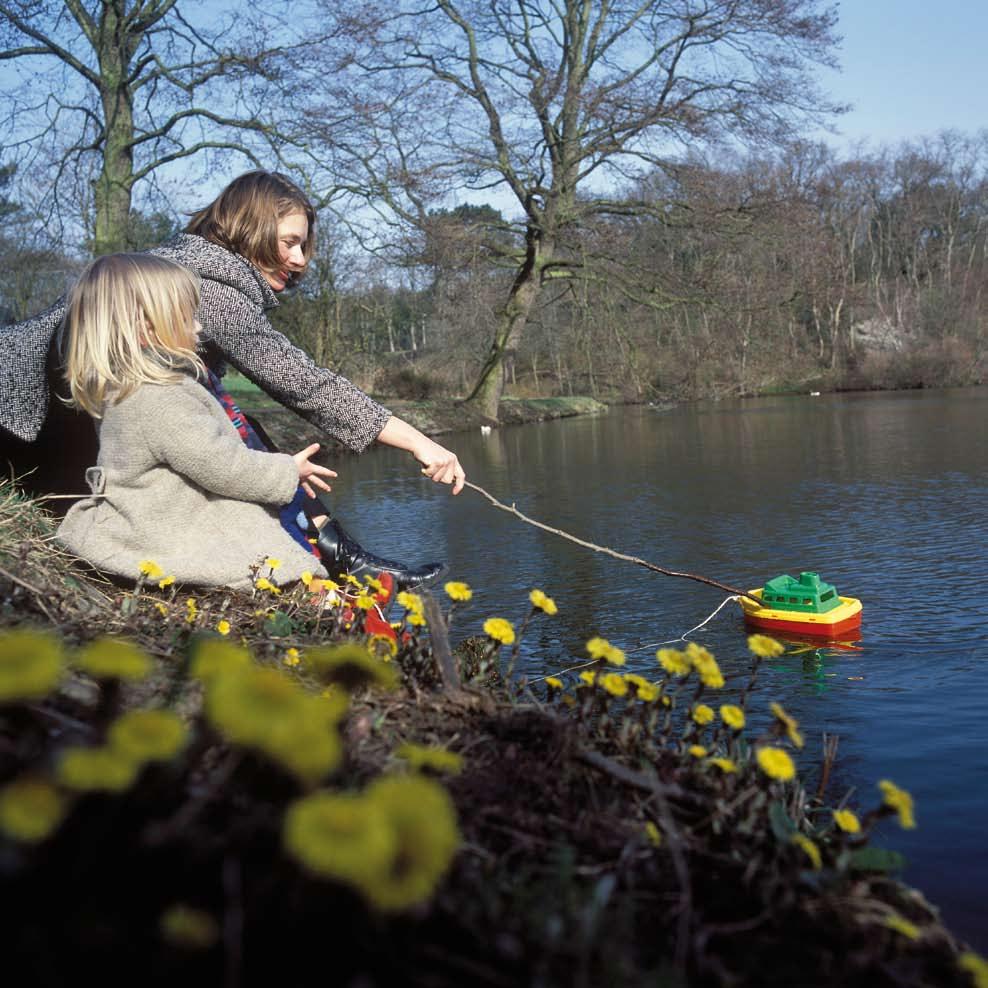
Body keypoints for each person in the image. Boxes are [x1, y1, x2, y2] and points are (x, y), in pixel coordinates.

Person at [0, 170, 465, 586]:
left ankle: (332, 551)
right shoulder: (210, 286)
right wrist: (422, 443)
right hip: (21, 415)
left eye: (305, 245)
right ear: (249, 229)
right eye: (289, 242)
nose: (301, 259)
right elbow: (307, 386)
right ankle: (329, 558)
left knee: (223, 414)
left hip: (45, 412)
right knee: (228, 424)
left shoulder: (186, 262)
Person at [56, 253, 338, 590]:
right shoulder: (159, 397)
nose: (199, 328)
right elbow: (222, 466)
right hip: (167, 524)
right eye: (188, 318)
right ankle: (319, 596)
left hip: (150, 511)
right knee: (259, 535)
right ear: (148, 327)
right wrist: (288, 470)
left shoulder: (125, 388)